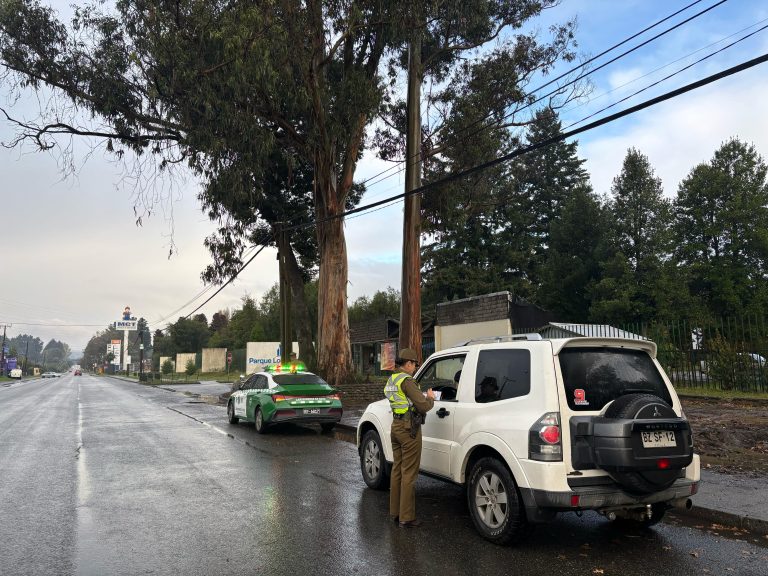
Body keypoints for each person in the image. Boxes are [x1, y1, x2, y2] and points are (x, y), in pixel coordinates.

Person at [384, 347, 435, 528]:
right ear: (408, 364)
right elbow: (423, 406)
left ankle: (395, 513)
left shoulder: (392, 379)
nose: (415, 368)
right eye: (414, 364)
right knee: (409, 473)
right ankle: (406, 517)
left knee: (397, 470)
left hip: (396, 427)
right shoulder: (407, 381)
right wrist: (430, 398)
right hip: (409, 430)